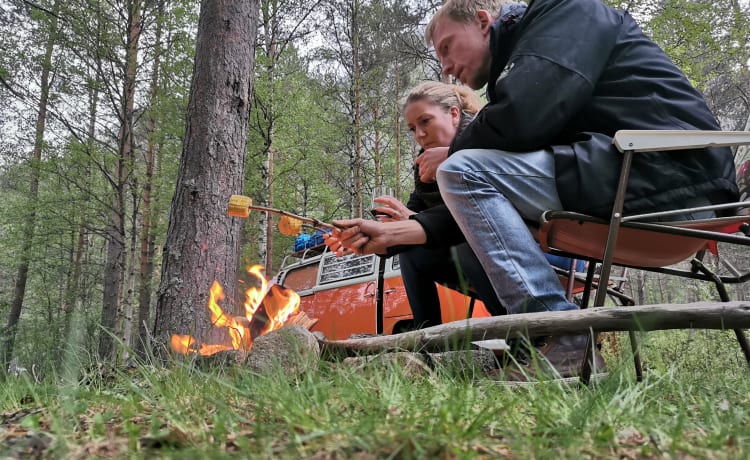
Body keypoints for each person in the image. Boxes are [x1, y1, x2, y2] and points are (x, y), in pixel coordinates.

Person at [326, 0, 739, 377]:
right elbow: (480, 206)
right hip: (635, 180)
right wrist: (394, 234)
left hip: (672, 180)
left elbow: (522, 116)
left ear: (484, 22)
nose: (447, 68)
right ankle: (539, 339)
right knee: (464, 181)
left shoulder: (568, 13)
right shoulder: (529, 55)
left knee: (463, 171)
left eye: (448, 48)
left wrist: (454, 154)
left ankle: (557, 335)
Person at [372, 81, 506, 328]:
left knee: (466, 242)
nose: (419, 135)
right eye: (412, 128)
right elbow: (414, 212)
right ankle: (428, 341)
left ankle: (519, 335)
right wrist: (373, 239)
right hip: (472, 251)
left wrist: (413, 220)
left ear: (454, 113)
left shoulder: (486, 136)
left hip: (524, 243)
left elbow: (484, 208)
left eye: (425, 121)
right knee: (411, 254)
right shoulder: (424, 165)